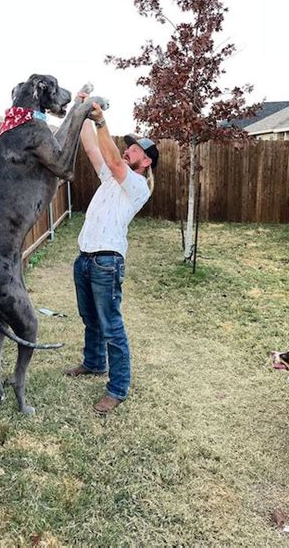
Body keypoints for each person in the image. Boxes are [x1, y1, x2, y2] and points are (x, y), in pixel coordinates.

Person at [65, 93, 159, 414]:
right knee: (89, 318)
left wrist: (101, 119)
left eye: (135, 149)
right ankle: (93, 363)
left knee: (111, 326)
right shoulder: (110, 177)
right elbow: (93, 147)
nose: (128, 150)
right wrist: (78, 111)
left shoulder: (137, 185)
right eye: (129, 146)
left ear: (145, 161)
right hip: (85, 258)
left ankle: (117, 388)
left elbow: (115, 161)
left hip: (107, 262)